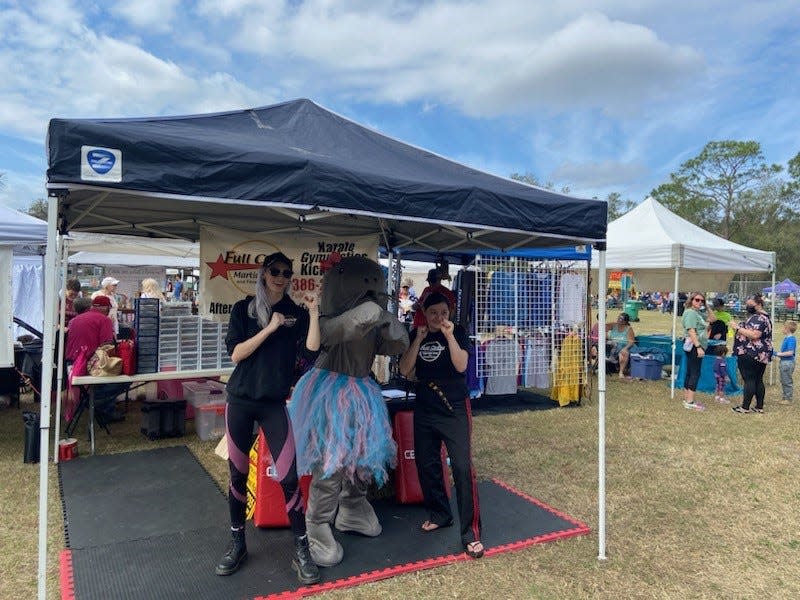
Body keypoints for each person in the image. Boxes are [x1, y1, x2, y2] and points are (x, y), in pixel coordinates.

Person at [217, 252, 321, 583]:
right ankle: (237, 543)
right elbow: (236, 354)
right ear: (263, 274)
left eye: (286, 272)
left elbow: (312, 351)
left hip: (274, 405)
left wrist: (315, 311)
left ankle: (301, 549)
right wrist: (270, 326)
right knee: (237, 475)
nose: (280, 276)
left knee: (289, 477)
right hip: (240, 401)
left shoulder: (296, 313)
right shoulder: (244, 309)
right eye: (274, 271)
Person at [399, 292, 484, 559]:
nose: (438, 317)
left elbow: (461, 366)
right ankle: (440, 513)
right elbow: (405, 370)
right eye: (433, 312)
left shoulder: (457, 332)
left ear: (450, 312)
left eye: (443, 312)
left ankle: (471, 533)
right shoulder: (417, 334)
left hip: (453, 408)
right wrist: (419, 340)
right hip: (425, 407)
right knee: (427, 463)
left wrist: (447, 335)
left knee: (461, 466)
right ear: (424, 311)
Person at [65, 296, 125, 421]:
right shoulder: (104, 320)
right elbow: (107, 347)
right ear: (105, 308)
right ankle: (97, 404)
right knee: (123, 378)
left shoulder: (74, 320)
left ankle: (93, 401)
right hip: (89, 365)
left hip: (71, 365)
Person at [730, 294, 773, 414]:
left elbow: (755, 335)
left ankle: (745, 407)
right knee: (758, 379)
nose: (748, 307)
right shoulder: (765, 318)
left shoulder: (758, 318)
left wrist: (737, 327)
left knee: (749, 379)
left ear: (759, 305)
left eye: (750, 305)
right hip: (762, 354)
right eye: (747, 305)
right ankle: (759, 407)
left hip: (751, 352)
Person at [681, 292, 717, 411]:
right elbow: (691, 331)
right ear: (691, 300)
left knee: (690, 371)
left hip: (693, 345)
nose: (699, 302)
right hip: (694, 345)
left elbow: (713, 319)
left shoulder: (697, 313)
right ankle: (690, 401)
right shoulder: (691, 313)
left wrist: (707, 307)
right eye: (697, 300)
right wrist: (698, 347)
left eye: (702, 301)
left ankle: (687, 398)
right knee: (695, 373)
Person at [774, 320, 796, 405]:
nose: (782, 329)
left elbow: (790, 352)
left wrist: (777, 353)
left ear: (787, 329)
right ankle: (785, 397)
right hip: (784, 362)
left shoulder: (791, 339)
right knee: (783, 380)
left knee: (786, 381)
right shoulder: (787, 338)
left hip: (787, 363)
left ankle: (788, 398)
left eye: (783, 327)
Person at [607, 313, 635, 379]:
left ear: (625, 321)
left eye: (621, 319)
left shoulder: (629, 329)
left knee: (624, 353)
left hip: (624, 346)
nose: (619, 320)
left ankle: (621, 372)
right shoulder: (614, 325)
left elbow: (631, 342)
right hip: (612, 346)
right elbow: (603, 327)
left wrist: (625, 348)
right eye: (619, 318)